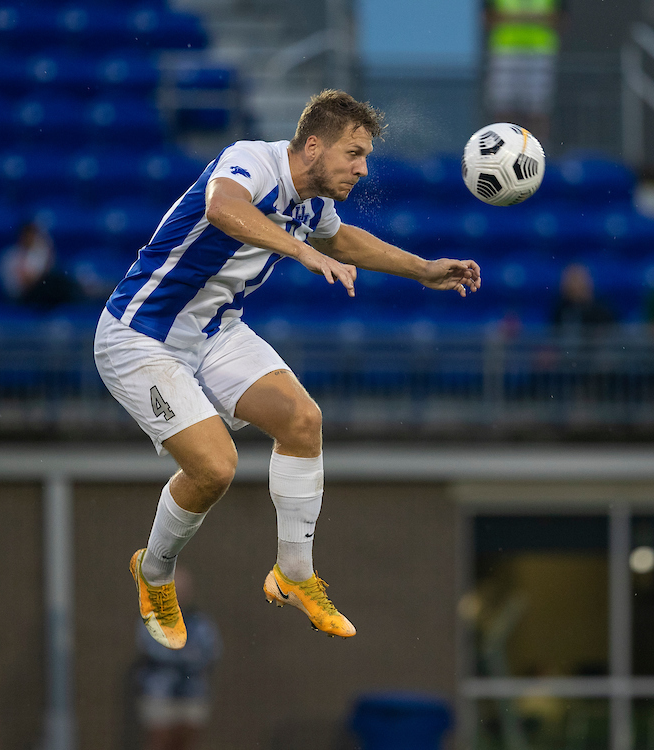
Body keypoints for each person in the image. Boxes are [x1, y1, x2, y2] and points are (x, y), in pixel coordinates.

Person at [95, 90, 481, 649]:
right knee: (216, 469)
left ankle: (293, 574)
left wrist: (423, 269)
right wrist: (302, 252)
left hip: (212, 330)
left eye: (366, 156)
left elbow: (341, 238)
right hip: (140, 336)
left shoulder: (311, 201)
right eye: (353, 153)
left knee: (303, 421)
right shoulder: (252, 159)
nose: (362, 168)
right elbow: (221, 207)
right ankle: (153, 573)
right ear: (314, 144)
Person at [134, 566, 220, 750]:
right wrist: (184, 657)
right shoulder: (152, 618)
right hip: (160, 691)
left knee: (185, 747)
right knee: (158, 742)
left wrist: (180, 656)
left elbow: (211, 652)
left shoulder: (200, 622)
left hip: (192, 691)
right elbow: (151, 650)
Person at [484, 0, 565, 146]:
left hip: (540, 52)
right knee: (504, 109)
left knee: (538, 110)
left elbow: (560, 18)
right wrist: (535, 18)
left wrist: (512, 18)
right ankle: (502, 148)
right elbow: (488, 18)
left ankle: (539, 150)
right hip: (505, 52)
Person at [0, 221, 81, 309]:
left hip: (40, 294)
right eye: (28, 235)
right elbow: (22, 284)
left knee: (58, 280)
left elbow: (46, 271)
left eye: (33, 235)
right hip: (20, 298)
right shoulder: (9, 256)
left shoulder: (37, 253)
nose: (30, 238)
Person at [551, 262, 616, 337]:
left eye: (576, 279)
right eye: (568, 280)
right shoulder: (559, 310)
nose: (571, 285)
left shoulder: (603, 311)